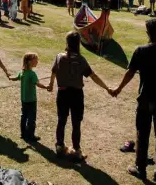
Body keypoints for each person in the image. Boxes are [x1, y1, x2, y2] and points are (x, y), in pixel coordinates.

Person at [113, 18, 156, 184]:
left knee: (142, 134)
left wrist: (119, 88)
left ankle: (141, 169)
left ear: (147, 33)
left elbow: (130, 73)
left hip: (145, 99)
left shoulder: (141, 51)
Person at [47, 31, 113, 161]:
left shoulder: (59, 57)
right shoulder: (81, 60)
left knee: (62, 120)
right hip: (76, 95)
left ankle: (59, 146)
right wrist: (107, 88)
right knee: (76, 123)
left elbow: (54, 71)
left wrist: (51, 84)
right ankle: (76, 150)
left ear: (67, 43)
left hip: (63, 93)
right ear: (78, 43)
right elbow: (93, 76)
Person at [9, 53, 49, 141]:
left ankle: (23, 134)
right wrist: (46, 87)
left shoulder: (22, 72)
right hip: (31, 100)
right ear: (30, 62)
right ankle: (31, 135)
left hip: (24, 99)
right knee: (31, 118)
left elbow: (16, 77)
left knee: (24, 116)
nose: (37, 62)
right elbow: (37, 84)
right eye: (36, 60)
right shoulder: (32, 74)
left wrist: (11, 77)